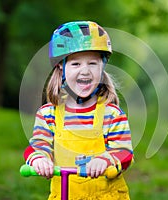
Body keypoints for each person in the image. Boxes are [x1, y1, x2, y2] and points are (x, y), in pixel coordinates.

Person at [23, 21, 134, 200]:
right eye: (75, 64)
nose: (85, 71)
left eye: (92, 63)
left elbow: (124, 153)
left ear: (102, 66)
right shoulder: (48, 115)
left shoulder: (112, 115)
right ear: (61, 66)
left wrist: (105, 160)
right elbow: (38, 145)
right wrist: (39, 159)